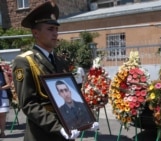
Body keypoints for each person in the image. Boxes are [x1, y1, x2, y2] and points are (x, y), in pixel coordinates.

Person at [12, 2, 98, 141]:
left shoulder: (60, 61)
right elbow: (29, 104)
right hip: (42, 134)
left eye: (56, 29)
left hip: (67, 130)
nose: (55, 33)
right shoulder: (24, 61)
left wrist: (85, 118)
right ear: (36, 33)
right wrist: (58, 127)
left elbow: (72, 93)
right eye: (50, 29)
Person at [0, 66, 11, 138]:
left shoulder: (3, 73)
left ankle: (2, 132)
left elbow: (9, 85)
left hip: (2, 96)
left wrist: (1, 88)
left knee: (2, 115)